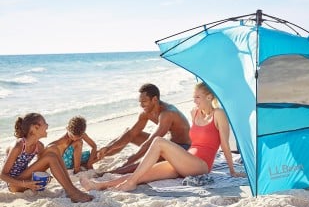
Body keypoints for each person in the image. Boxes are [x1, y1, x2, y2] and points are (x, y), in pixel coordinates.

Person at [80, 82, 246, 192]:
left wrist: (232, 171)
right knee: (142, 174)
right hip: (185, 160)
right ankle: (99, 185)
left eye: (198, 97)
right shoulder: (194, 113)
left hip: (201, 165)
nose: (194, 101)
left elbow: (224, 143)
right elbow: (132, 133)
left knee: (159, 142)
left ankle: (129, 184)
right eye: (193, 97)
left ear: (209, 97)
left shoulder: (219, 114)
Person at [94, 83, 191, 175]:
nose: (141, 105)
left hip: (184, 147)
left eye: (144, 102)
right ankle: (98, 157)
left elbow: (151, 142)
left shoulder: (167, 113)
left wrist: (129, 161)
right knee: (131, 134)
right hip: (168, 144)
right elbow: (131, 134)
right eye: (140, 102)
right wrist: (108, 148)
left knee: (147, 159)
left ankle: (115, 172)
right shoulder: (146, 113)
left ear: (154, 99)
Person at [0, 113, 93, 203]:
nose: (47, 126)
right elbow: (2, 175)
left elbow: (40, 167)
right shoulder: (18, 145)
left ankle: (71, 188)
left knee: (53, 148)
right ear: (35, 128)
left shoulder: (39, 146)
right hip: (15, 184)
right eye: (45, 123)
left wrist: (45, 176)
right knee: (50, 157)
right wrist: (25, 184)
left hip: (27, 179)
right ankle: (72, 192)